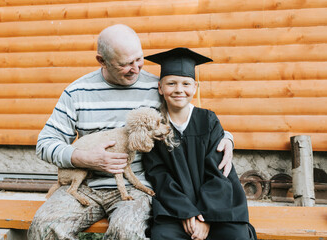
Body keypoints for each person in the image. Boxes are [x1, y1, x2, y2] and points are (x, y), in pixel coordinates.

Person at [28, 24, 235, 240]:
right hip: (86, 185)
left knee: (126, 232)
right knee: (44, 227)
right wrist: (84, 158)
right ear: (102, 60)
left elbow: (190, 120)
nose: (135, 68)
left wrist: (226, 138)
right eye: (125, 64)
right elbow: (45, 143)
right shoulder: (77, 92)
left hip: (137, 187)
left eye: (139, 59)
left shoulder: (156, 88)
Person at [143, 48, 257, 240]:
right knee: (163, 236)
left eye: (185, 83)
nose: (179, 89)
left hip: (217, 207)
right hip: (175, 210)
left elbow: (219, 170)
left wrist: (206, 218)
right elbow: (158, 175)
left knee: (236, 235)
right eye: (171, 83)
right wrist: (186, 212)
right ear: (160, 88)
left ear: (195, 87)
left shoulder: (208, 120)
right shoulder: (156, 126)